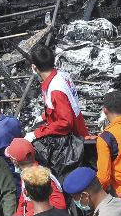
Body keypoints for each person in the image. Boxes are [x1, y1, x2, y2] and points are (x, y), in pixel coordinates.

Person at [24, 44, 87, 176]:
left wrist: (36, 134)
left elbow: (65, 122)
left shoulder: (55, 89)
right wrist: (45, 116)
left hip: (72, 140)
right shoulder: (61, 75)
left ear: (34, 67)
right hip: (77, 127)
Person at [4, 137, 65, 216]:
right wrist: (18, 215)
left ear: (14, 161)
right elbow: (23, 196)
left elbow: (59, 205)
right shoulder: (26, 174)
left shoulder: (41, 177)